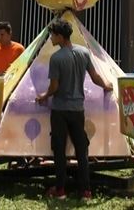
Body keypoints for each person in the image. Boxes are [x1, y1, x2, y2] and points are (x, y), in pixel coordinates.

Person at [35, 18, 112, 200]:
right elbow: (95, 77)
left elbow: (54, 87)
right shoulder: (84, 53)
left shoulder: (56, 58)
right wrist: (106, 86)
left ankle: (60, 190)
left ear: (60, 37)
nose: (51, 38)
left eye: (53, 35)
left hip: (60, 110)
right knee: (81, 150)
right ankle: (86, 191)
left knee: (59, 150)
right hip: (78, 109)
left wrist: (44, 96)